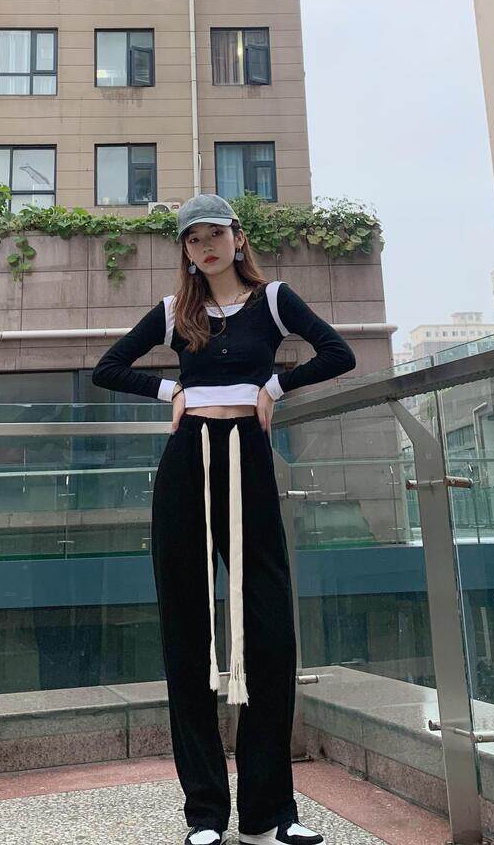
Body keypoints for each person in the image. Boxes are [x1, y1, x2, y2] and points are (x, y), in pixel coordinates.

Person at [91, 194, 356, 845]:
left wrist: (275, 386)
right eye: (193, 238)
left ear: (238, 239)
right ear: (185, 251)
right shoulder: (174, 312)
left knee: (270, 631)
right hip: (187, 463)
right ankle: (205, 813)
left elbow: (338, 353)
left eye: (215, 234)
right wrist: (171, 390)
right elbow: (107, 369)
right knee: (186, 630)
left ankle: (268, 815)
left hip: (249, 460)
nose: (205, 246)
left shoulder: (274, 300)